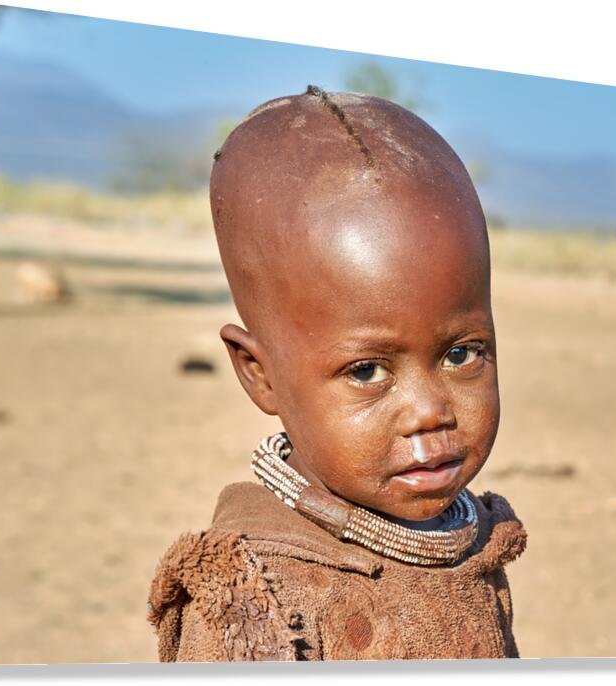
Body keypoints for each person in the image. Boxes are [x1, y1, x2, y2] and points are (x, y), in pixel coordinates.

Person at [147, 86, 527, 661]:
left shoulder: (474, 541)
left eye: (461, 354)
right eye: (368, 370)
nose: (430, 411)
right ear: (260, 375)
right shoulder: (251, 600)